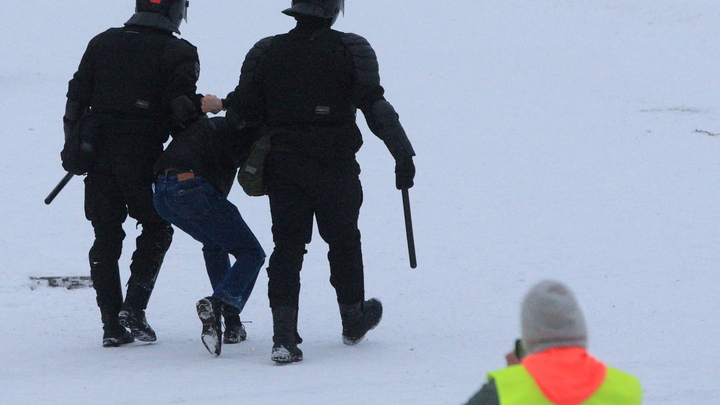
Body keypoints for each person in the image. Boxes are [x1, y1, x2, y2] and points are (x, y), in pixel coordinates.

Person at [202, 0, 416, 363]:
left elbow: (243, 111)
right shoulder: (350, 48)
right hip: (336, 165)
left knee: (287, 247)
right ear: (333, 11)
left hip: (285, 166)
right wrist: (402, 152)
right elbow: (374, 104)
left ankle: (283, 337)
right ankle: (352, 319)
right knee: (344, 241)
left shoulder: (267, 50)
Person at [61, 0, 202, 347]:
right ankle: (134, 307)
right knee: (157, 227)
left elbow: (75, 101)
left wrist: (73, 147)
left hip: (97, 156)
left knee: (105, 237)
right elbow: (181, 110)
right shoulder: (179, 51)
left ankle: (112, 325)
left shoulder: (102, 41)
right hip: (143, 157)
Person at [152, 116, 265, 356]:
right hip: (191, 189)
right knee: (251, 253)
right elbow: (251, 175)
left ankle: (231, 324)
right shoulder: (247, 135)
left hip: (161, 194)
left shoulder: (209, 127)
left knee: (214, 243)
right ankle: (219, 303)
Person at [462, 279, 642, 405]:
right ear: (580, 330)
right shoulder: (627, 388)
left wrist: (517, 377)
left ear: (529, 336)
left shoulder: (503, 389)